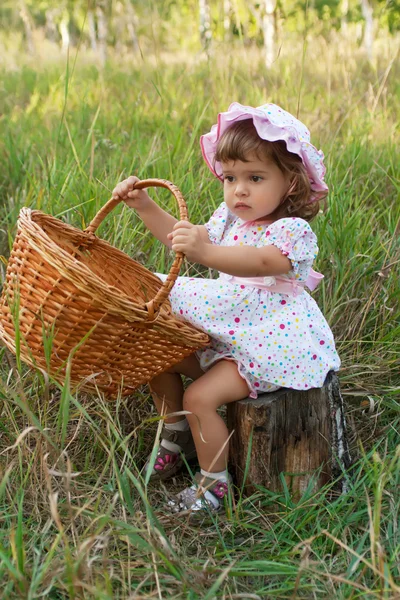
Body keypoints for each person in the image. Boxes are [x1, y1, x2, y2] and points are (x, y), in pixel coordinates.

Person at [112, 103, 340, 516]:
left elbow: (262, 263)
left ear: (291, 182)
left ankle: (214, 483)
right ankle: (175, 432)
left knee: (201, 396)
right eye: (230, 177)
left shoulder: (291, 231)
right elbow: (182, 238)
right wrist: (145, 205)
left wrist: (207, 253)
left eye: (255, 178)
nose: (239, 190)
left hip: (268, 346)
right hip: (230, 335)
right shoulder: (229, 219)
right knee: (158, 356)